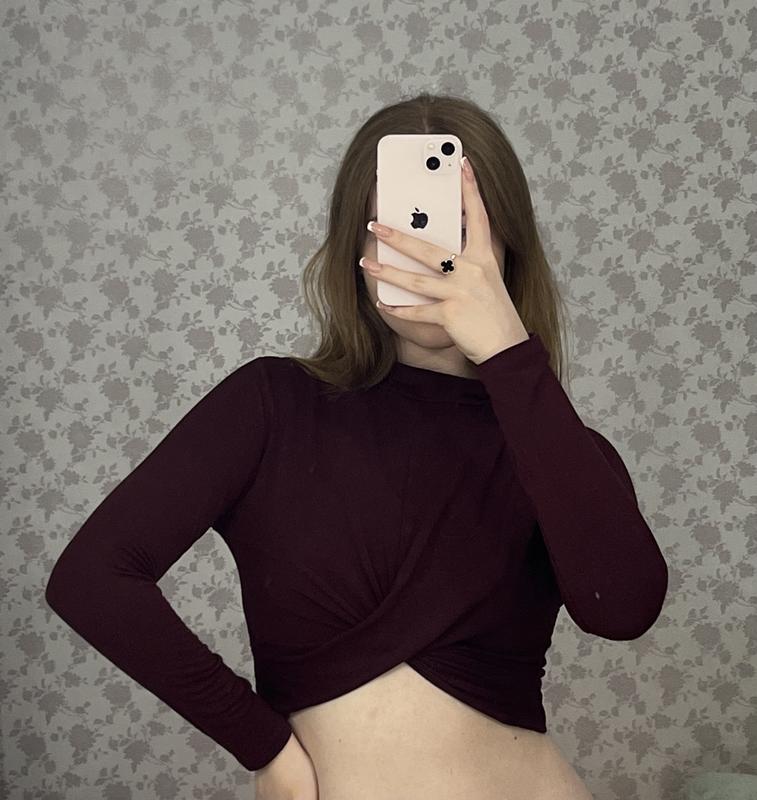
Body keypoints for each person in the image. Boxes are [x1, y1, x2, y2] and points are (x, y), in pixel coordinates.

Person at [45, 93, 668, 800]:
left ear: (507, 248)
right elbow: (92, 579)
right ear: (356, 251)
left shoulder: (559, 448)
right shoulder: (271, 405)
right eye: (397, 230)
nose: (427, 259)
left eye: (460, 233)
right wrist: (265, 746)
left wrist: (509, 353)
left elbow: (622, 611)